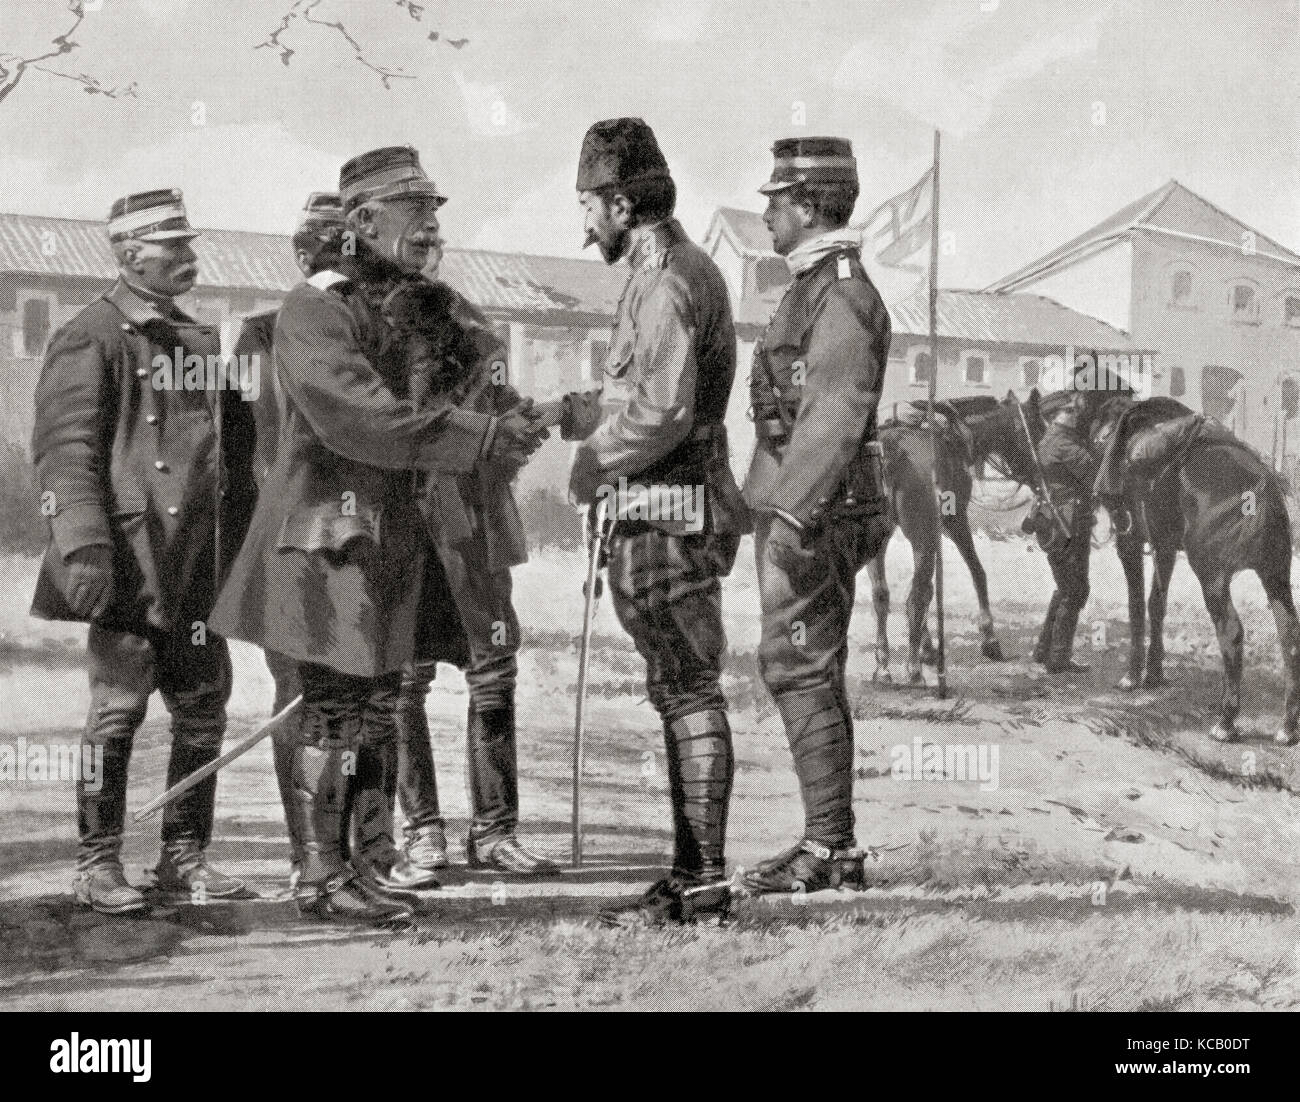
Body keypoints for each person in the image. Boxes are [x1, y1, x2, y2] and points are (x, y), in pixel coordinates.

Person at [208, 147, 546, 925]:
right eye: (416, 211)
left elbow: (478, 384)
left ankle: (367, 861)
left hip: (391, 547)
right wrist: (479, 436)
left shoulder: (428, 307)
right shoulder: (316, 307)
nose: (433, 227)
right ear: (362, 222)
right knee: (330, 712)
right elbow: (362, 421)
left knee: (376, 706)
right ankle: (321, 877)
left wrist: (519, 416)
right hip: (324, 547)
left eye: (436, 211)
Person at [31, 189, 257, 914]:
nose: (191, 260)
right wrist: (86, 547)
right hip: (129, 561)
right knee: (118, 714)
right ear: (130, 255)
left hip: (196, 562)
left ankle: (184, 856)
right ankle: (97, 863)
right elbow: (64, 455)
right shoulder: (89, 335)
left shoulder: (197, 342)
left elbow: (230, 453)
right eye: (175, 249)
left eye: (191, 247)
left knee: (203, 713)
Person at [560, 118, 752, 926]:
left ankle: (704, 881)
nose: (584, 226)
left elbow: (664, 408)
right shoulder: (661, 272)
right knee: (679, 686)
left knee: (688, 687)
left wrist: (593, 457)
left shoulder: (668, 276)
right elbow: (636, 395)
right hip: (662, 509)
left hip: (668, 511)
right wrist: (572, 419)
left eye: (589, 206)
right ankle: (689, 873)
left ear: (622, 200)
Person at [740, 138, 893, 896]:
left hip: (820, 512)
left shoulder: (842, 293)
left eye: (776, 199)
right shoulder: (814, 285)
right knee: (803, 666)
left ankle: (831, 849)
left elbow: (834, 414)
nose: (766, 211)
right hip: (804, 505)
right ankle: (829, 843)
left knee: (801, 664)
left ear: (806, 207)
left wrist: (792, 518)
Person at [382, 280, 560, 879]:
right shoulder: (368, 342)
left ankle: (495, 832)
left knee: (492, 676)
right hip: (404, 542)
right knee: (406, 684)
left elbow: (507, 425)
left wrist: (530, 427)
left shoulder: (480, 344)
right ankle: (423, 831)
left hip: (474, 541)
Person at [229, 191, 346, 891]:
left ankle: (361, 853)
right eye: (334, 245)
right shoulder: (260, 337)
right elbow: (237, 454)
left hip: (365, 538)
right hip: (290, 539)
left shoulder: (377, 332)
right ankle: (307, 853)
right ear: (305, 255)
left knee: (364, 697)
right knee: (299, 691)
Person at [1031, 388, 1097, 674]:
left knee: (1064, 587)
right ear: (1058, 416)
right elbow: (1093, 471)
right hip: (1068, 523)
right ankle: (1058, 657)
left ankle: (1044, 649)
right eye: (1071, 412)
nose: (1076, 416)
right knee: (1075, 590)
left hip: (1053, 521)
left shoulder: (1049, 440)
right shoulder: (1063, 444)